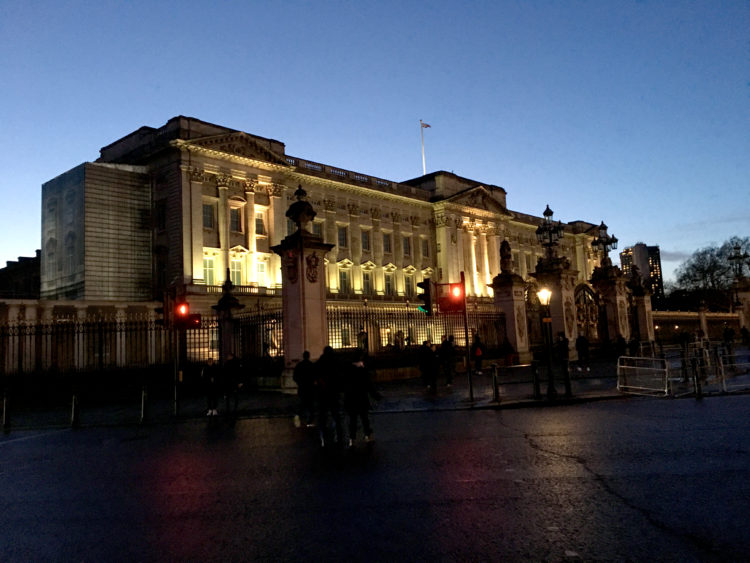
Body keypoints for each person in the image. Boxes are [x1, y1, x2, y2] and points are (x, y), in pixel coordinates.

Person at [344, 351, 382, 447]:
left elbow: (344, 384)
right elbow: (368, 384)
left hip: (351, 398)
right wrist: (376, 395)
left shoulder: (347, 370)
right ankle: (367, 436)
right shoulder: (362, 370)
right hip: (361, 397)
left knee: (353, 419)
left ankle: (352, 439)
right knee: (364, 418)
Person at [314, 346, 344, 447]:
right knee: (336, 414)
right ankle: (338, 435)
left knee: (323, 414)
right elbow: (340, 375)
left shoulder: (320, 362)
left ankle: (323, 435)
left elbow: (315, 375)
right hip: (333, 392)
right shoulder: (336, 361)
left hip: (322, 393)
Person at [293, 350, 316, 427]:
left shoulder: (299, 365)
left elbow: (295, 377)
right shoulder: (311, 365)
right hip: (310, 388)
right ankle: (309, 421)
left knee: (302, 403)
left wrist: (299, 383)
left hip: (302, 387)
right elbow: (314, 376)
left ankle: (298, 415)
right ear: (308, 356)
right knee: (311, 405)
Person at [223, 352, 243, 420]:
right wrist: (240, 382)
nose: (227, 357)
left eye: (228, 356)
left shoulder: (228, 363)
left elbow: (225, 374)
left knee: (229, 396)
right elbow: (239, 373)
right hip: (234, 383)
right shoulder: (236, 363)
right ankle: (234, 409)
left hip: (230, 383)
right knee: (234, 396)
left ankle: (229, 409)